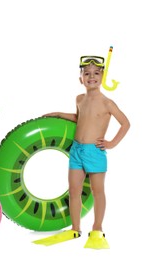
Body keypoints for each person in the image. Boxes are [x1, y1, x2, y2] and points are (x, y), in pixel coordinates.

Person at [35, 55, 130, 249]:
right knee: (74, 191)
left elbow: (126, 123)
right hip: (76, 150)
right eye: (87, 73)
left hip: (94, 152)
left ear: (102, 77)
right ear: (81, 79)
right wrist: (59, 114)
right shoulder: (79, 99)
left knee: (98, 191)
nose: (91, 76)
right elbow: (80, 118)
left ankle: (97, 227)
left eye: (96, 73)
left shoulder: (107, 103)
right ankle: (75, 228)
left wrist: (111, 143)